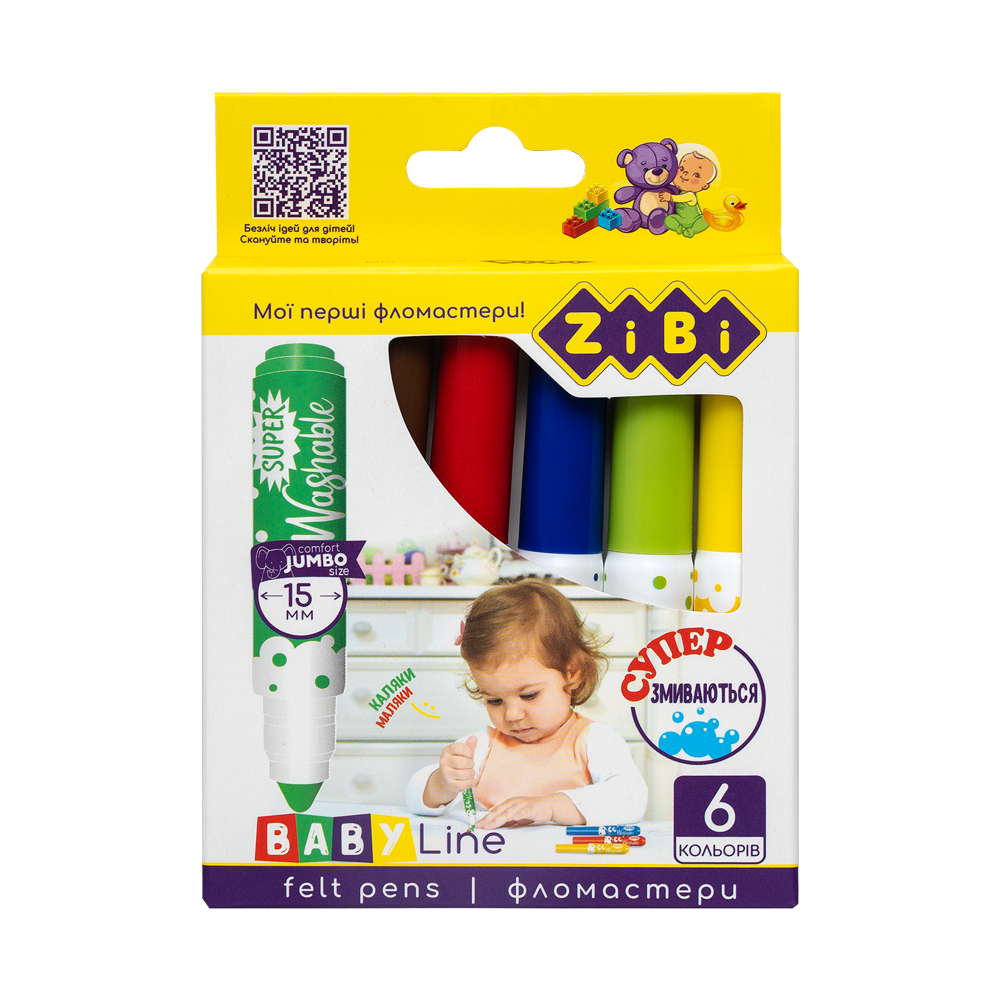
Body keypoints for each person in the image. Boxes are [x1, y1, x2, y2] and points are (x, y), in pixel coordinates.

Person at [405, 580, 648, 829]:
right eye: (495, 700)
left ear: (571, 673)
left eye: (529, 695)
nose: (512, 715)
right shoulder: (483, 746)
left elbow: (631, 798)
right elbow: (415, 800)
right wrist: (443, 782)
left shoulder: (592, 740)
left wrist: (549, 807)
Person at [663, 146, 720, 238]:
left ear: (704, 186)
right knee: (668, 219)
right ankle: (678, 227)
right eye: (681, 169)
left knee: (704, 219)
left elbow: (681, 199)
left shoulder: (690, 195)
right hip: (681, 219)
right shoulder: (677, 191)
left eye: (695, 175)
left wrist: (670, 197)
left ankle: (692, 230)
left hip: (695, 220)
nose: (685, 174)